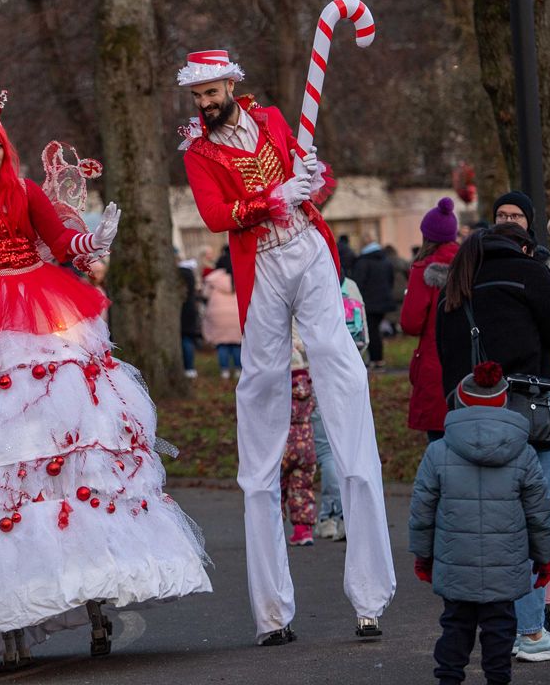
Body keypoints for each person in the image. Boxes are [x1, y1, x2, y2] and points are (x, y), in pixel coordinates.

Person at [0, 93, 211, 671]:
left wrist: (93, 241)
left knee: (68, 433)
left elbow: (61, 241)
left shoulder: (25, 193)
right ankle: (9, 614)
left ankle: (94, 594)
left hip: (41, 306)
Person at [178, 50, 393, 640]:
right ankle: (272, 612)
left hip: (310, 250)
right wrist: (271, 199)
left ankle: (371, 594)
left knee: (343, 376)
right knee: (262, 390)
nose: (204, 103)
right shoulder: (198, 153)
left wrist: (313, 179)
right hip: (262, 266)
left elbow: (319, 184)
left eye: (210, 91)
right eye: (196, 96)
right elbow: (216, 214)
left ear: (230, 83)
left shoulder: (274, 120)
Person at [436, 224, 550, 662]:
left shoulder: (458, 280)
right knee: (532, 525)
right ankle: (530, 631)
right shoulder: (528, 272)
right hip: (525, 419)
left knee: (482, 531)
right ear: (523, 247)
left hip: (467, 419)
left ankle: (486, 634)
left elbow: (442, 352)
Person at [409, 361, 550, 685]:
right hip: (506, 563)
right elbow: (539, 512)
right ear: (504, 402)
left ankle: (448, 679)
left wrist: (423, 556)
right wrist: (544, 558)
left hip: (455, 560)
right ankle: (497, 679)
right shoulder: (524, 452)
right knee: (500, 628)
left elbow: (422, 509)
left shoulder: (438, 451)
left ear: (460, 401)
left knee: (455, 626)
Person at [400, 198, 460, 442]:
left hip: (435, 364)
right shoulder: (471, 264)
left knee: (439, 442)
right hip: (471, 363)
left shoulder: (424, 269)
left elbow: (411, 323)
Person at [281, 336, 316, 546]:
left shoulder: (281, 387)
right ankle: (303, 531)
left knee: (277, 488)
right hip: (306, 444)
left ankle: (272, 529)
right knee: (302, 487)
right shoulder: (308, 386)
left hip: (282, 443)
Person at [351, 237, 394, 371]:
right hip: (384, 300)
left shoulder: (363, 262)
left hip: (369, 302)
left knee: (371, 331)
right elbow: (390, 279)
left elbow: (358, 282)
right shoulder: (385, 260)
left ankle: (376, 359)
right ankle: (378, 358)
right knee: (375, 330)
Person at [202, 263, 242, 379]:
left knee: (222, 344)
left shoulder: (214, 279)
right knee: (236, 344)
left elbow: (205, 294)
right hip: (236, 313)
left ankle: (224, 370)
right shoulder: (238, 275)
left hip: (218, 315)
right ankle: (238, 369)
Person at [179, 259, 201, 379]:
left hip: (183, 315)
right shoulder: (191, 280)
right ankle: (190, 367)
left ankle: (188, 367)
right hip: (190, 314)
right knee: (188, 340)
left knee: (185, 340)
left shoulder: (180, 280)